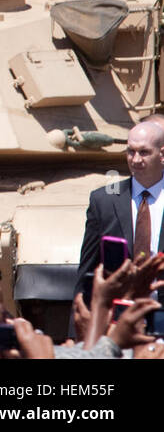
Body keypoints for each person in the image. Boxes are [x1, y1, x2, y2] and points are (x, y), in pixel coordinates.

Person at [75, 117, 164, 302]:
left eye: (144, 152)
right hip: (118, 313)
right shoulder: (104, 201)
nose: (136, 159)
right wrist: (78, 328)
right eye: (131, 151)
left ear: (162, 154)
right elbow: (88, 270)